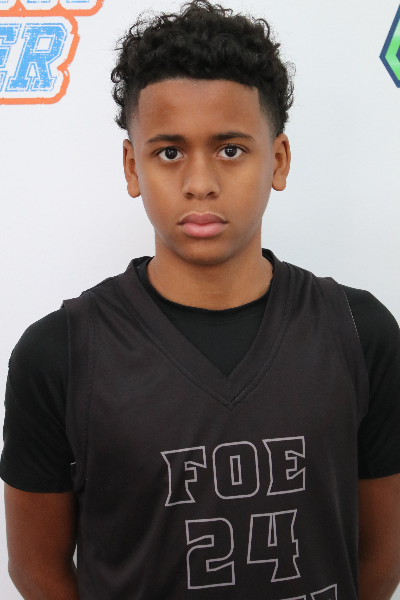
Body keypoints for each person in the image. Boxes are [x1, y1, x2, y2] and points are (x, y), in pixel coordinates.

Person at [2, 1, 400, 598]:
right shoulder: (58, 354)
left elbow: (380, 555)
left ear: (278, 161)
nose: (200, 183)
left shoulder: (360, 333)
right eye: (169, 152)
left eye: (230, 149)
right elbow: (37, 570)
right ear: (132, 166)